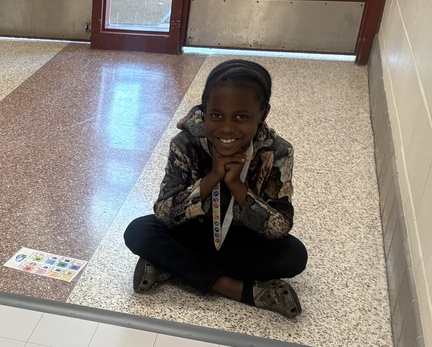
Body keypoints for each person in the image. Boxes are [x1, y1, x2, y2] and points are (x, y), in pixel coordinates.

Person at [123, 59, 307, 318]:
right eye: (216, 115)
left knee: (294, 256)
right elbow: (164, 212)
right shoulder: (186, 142)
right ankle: (240, 290)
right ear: (206, 109)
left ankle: (173, 268)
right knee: (138, 232)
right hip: (194, 231)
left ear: (263, 113)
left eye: (242, 117)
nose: (227, 128)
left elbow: (279, 227)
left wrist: (236, 185)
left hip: (242, 239)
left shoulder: (277, 151)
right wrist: (211, 178)